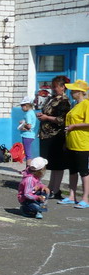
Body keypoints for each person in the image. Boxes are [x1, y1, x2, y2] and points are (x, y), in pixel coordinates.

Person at [36, 75, 71, 200]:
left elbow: (62, 119)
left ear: (63, 87)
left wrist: (47, 118)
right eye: (53, 87)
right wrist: (42, 115)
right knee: (49, 163)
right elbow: (47, 111)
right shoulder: (51, 98)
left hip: (56, 136)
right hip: (45, 134)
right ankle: (50, 187)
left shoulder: (64, 101)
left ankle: (56, 189)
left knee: (57, 164)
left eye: (56, 87)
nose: (53, 89)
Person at [60, 79, 89, 209]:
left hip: (82, 143)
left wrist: (74, 126)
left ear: (80, 92)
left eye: (73, 90)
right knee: (72, 171)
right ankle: (72, 196)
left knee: (83, 171)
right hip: (71, 142)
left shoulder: (86, 105)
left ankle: (85, 198)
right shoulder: (75, 105)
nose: (71, 92)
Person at [18, 95, 38, 167]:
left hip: (27, 135)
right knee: (28, 153)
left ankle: (28, 169)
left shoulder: (28, 114)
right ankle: (27, 169)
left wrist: (23, 124)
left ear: (26, 105)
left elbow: (29, 126)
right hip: (30, 135)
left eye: (22, 106)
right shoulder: (32, 112)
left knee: (28, 153)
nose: (21, 108)